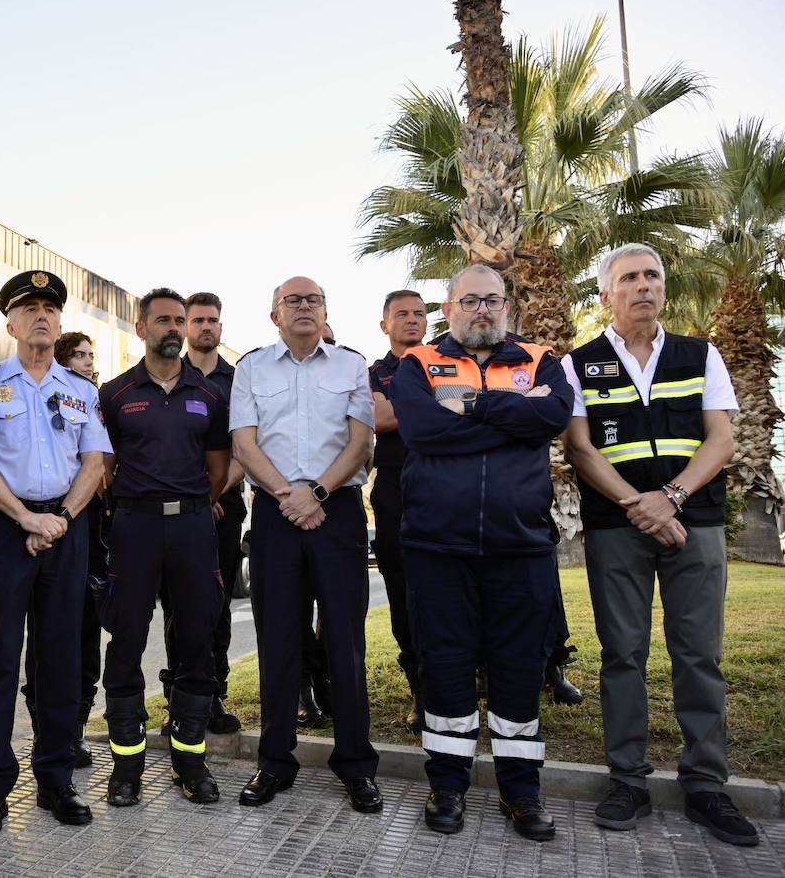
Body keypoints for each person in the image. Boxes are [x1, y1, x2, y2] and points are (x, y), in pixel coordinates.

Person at [562, 243, 758, 847]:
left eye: (652, 276)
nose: (643, 286)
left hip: (692, 523)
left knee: (699, 654)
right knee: (623, 655)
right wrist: (639, 506)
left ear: (664, 289)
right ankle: (628, 781)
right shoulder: (579, 364)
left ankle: (705, 785)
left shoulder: (701, 355)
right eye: (629, 278)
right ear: (605, 295)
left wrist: (668, 498)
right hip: (618, 527)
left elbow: (721, 439)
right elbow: (581, 449)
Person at [391, 263, 572, 841]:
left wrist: (469, 406)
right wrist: (515, 418)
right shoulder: (417, 365)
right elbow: (422, 432)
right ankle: (447, 785)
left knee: (520, 667)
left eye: (492, 300)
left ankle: (522, 791)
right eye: (470, 300)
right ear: (449, 308)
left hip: (520, 546)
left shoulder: (542, 360)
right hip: (437, 548)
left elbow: (553, 416)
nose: (482, 310)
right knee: (443, 665)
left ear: (506, 304)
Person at [0, 270, 109, 839]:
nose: (42, 315)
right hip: (5, 529)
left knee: (59, 660)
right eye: (30, 309)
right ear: (12, 324)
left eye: (50, 307)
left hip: (65, 531)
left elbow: (94, 463)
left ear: (60, 322)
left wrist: (62, 518)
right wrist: (25, 518)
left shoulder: (81, 389)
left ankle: (55, 779)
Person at [229, 277, 382, 813]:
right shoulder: (250, 368)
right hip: (274, 513)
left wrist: (315, 491)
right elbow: (244, 444)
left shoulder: (351, 365)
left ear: (325, 311)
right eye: (292, 300)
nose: (303, 307)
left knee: (346, 640)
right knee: (278, 640)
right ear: (274, 316)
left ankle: (357, 765)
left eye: (313, 299)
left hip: (336, 510)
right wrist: (287, 495)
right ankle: (274, 762)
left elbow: (361, 440)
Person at [99, 288, 230, 807]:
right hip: (133, 528)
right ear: (141, 327)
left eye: (180, 320)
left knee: (197, 636)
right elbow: (103, 469)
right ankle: (126, 764)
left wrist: (193, 505)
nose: (174, 328)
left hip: (194, 528)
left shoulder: (211, 394)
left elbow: (218, 469)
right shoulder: (113, 393)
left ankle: (189, 760)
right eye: (164, 320)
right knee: (126, 638)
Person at [158, 292, 244, 735]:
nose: (206, 326)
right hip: (178, 510)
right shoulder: (170, 373)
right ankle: (179, 697)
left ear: (220, 327)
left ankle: (213, 697)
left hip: (224, 508)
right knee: (177, 606)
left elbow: (246, 448)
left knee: (217, 604)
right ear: (186, 327)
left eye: (213, 319)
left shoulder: (239, 379)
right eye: (198, 320)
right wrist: (195, 498)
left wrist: (213, 492)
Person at [20, 330, 107, 768]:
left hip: (92, 536)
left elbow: (104, 464)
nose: (88, 362)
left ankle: (73, 729)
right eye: (79, 354)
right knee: (46, 638)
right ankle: (45, 731)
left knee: (85, 640)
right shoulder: (43, 395)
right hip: (51, 524)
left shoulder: (97, 399)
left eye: (92, 355)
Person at [367, 290, 428, 731]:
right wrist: (438, 404)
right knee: (403, 593)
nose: (411, 320)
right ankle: (420, 691)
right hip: (393, 490)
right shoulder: (373, 372)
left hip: (444, 489)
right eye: (401, 314)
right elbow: (380, 420)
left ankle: (460, 681)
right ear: (384, 324)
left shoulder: (450, 361)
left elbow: (472, 412)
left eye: (419, 313)